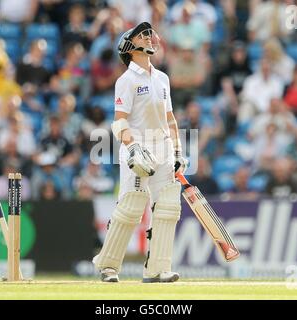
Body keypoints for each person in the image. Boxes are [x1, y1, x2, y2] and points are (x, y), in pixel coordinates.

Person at [92, 22, 188, 283]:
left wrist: (178, 151)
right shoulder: (126, 80)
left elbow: (170, 120)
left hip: (163, 149)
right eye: (142, 34)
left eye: (149, 33)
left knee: (168, 208)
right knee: (131, 206)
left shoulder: (162, 78)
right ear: (129, 46)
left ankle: (158, 269)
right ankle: (108, 267)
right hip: (137, 149)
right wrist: (132, 147)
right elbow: (120, 122)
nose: (149, 37)